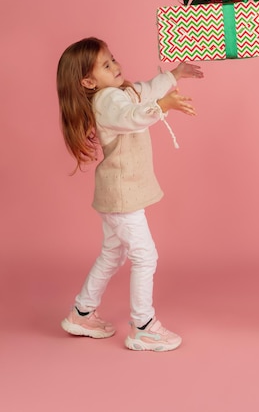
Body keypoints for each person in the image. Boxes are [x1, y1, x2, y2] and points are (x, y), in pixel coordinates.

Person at [56, 37, 203, 352]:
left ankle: (81, 313)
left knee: (112, 254)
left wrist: (174, 75)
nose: (116, 66)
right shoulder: (108, 101)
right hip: (122, 197)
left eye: (113, 59)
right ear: (88, 81)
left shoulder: (117, 93)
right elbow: (131, 117)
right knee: (144, 256)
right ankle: (143, 326)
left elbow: (143, 90)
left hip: (116, 196)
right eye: (107, 65)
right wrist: (164, 106)